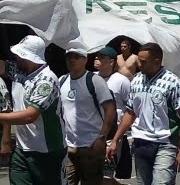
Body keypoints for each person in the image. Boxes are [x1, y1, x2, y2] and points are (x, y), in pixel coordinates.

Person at [107, 42, 180, 184]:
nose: (139, 64)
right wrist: (115, 140)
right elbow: (130, 112)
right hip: (141, 142)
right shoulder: (136, 80)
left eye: (143, 61)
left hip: (165, 143)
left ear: (156, 61)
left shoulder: (172, 82)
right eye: (139, 60)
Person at [0, 35, 65, 184]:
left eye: (19, 54)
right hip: (22, 150)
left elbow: (30, 116)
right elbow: (1, 66)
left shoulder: (47, 80)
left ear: (29, 57)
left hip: (48, 151)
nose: (16, 57)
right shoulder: (19, 71)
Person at [60, 48, 116, 185]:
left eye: (76, 56)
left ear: (85, 60)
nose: (72, 60)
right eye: (69, 57)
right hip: (69, 146)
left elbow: (110, 110)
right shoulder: (62, 81)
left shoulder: (94, 81)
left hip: (91, 146)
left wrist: (102, 138)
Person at [94, 46, 132, 184]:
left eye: (102, 57)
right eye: (97, 56)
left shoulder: (121, 81)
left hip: (112, 135)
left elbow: (131, 107)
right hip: (92, 133)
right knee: (93, 174)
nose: (97, 59)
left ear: (111, 62)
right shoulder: (90, 78)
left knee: (106, 176)